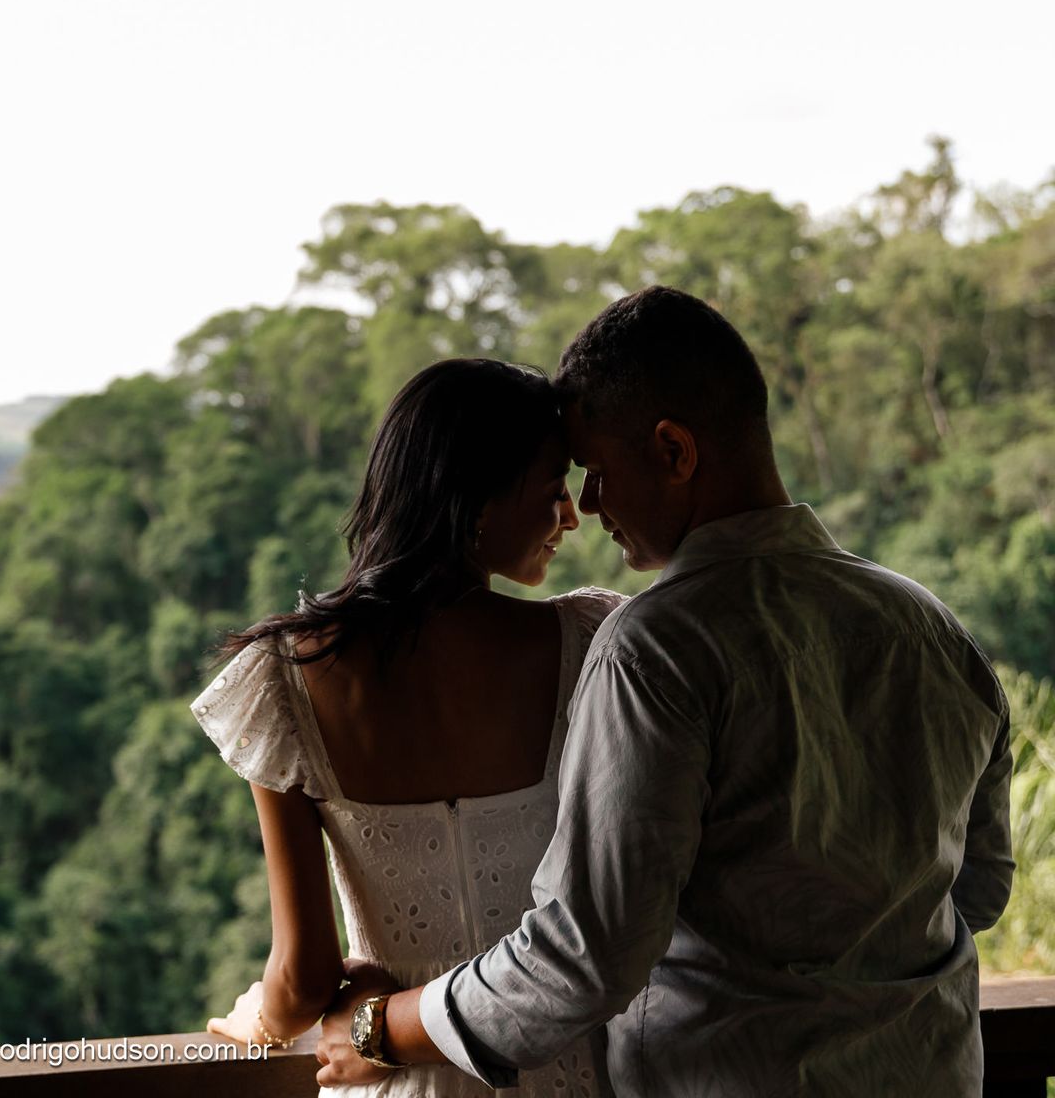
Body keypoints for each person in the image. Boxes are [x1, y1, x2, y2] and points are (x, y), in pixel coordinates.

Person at [313, 286, 1015, 1095]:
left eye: (600, 472)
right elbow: (981, 886)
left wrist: (381, 1028)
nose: (590, 506)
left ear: (675, 451)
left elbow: (586, 955)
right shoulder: (933, 630)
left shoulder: (658, 649)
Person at [193, 357, 622, 1097]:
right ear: (477, 500)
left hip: (386, 1071)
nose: (572, 516)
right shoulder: (591, 645)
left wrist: (255, 1026)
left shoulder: (284, 679)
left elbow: (303, 979)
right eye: (554, 490)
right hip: (562, 1069)